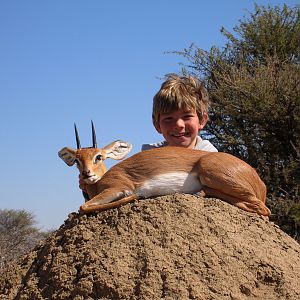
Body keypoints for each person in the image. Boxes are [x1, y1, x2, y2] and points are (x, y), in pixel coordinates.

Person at [142, 74, 217, 152]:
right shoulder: (147, 158)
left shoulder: (214, 159)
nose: (178, 124)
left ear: (202, 120)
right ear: (157, 125)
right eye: (168, 118)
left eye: (187, 116)